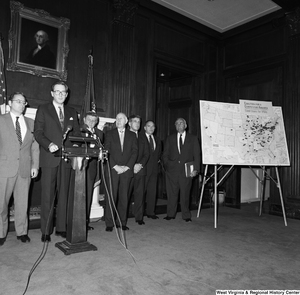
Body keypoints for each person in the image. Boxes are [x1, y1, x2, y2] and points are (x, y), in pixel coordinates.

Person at [34, 81, 80, 242]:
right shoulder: (43, 109)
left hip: (67, 159)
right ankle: (46, 230)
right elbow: (38, 133)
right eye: (57, 92)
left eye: (63, 92)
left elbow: (76, 136)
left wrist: (76, 146)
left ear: (67, 95)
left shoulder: (72, 111)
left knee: (65, 195)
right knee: (48, 195)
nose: (61, 94)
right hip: (49, 158)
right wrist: (49, 144)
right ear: (52, 93)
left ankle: (62, 227)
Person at [0, 93, 39, 246]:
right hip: (4, 169)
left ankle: (21, 232)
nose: (22, 104)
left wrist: (35, 165)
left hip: (25, 169)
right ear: (10, 103)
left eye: (24, 102)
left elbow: (35, 147)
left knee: (23, 203)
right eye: (18, 101)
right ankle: (1, 233)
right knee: (1, 204)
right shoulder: (1, 120)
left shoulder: (31, 122)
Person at [104, 112, 138, 232]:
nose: (118, 121)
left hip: (126, 171)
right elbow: (106, 150)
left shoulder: (132, 135)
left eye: (120, 119)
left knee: (124, 197)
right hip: (113, 170)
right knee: (111, 196)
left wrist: (127, 167)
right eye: (117, 119)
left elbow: (135, 152)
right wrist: (115, 166)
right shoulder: (109, 134)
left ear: (126, 121)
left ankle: (122, 222)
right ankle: (109, 222)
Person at [162, 118, 201, 222]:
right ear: (175, 126)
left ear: (186, 125)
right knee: (171, 194)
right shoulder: (170, 138)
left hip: (187, 172)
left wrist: (196, 169)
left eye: (181, 123)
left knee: (185, 194)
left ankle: (186, 215)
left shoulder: (193, 138)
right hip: (172, 172)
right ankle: (170, 214)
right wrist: (167, 166)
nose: (179, 125)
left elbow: (197, 155)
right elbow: (165, 154)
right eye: (177, 124)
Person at [81, 111, 104, 231]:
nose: (91, 122)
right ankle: (76, 222)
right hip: (80, 168)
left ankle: (85, 222)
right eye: (89, 120)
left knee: (89, 196)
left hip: (93, 169)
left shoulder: (100, 133)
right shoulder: (79, 131)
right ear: (84, 119)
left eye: (94, 120)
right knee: (79, 196)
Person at [128, 115, 150, 225]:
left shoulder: (143, 137)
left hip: (140, 170)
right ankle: (121, 218)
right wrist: (132, 165)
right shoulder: (125, 135)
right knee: (125, 195)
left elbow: (146, 154)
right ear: (129, 123)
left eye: (139, 122)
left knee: (140, 194)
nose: (137, 124)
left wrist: (139, 165)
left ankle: (139, 217)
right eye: (135, 121)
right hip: (127, 170)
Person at [143, 120, 162, 219]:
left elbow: (158, 154)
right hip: (143, 169)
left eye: (153, 126)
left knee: (152, 191)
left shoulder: (157, 140)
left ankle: (151, 212)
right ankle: (139, 213)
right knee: (141, 192)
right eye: (149, 126)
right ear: (145, 128)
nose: (151, 128)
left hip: (154, 170)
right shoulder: (140, 139)